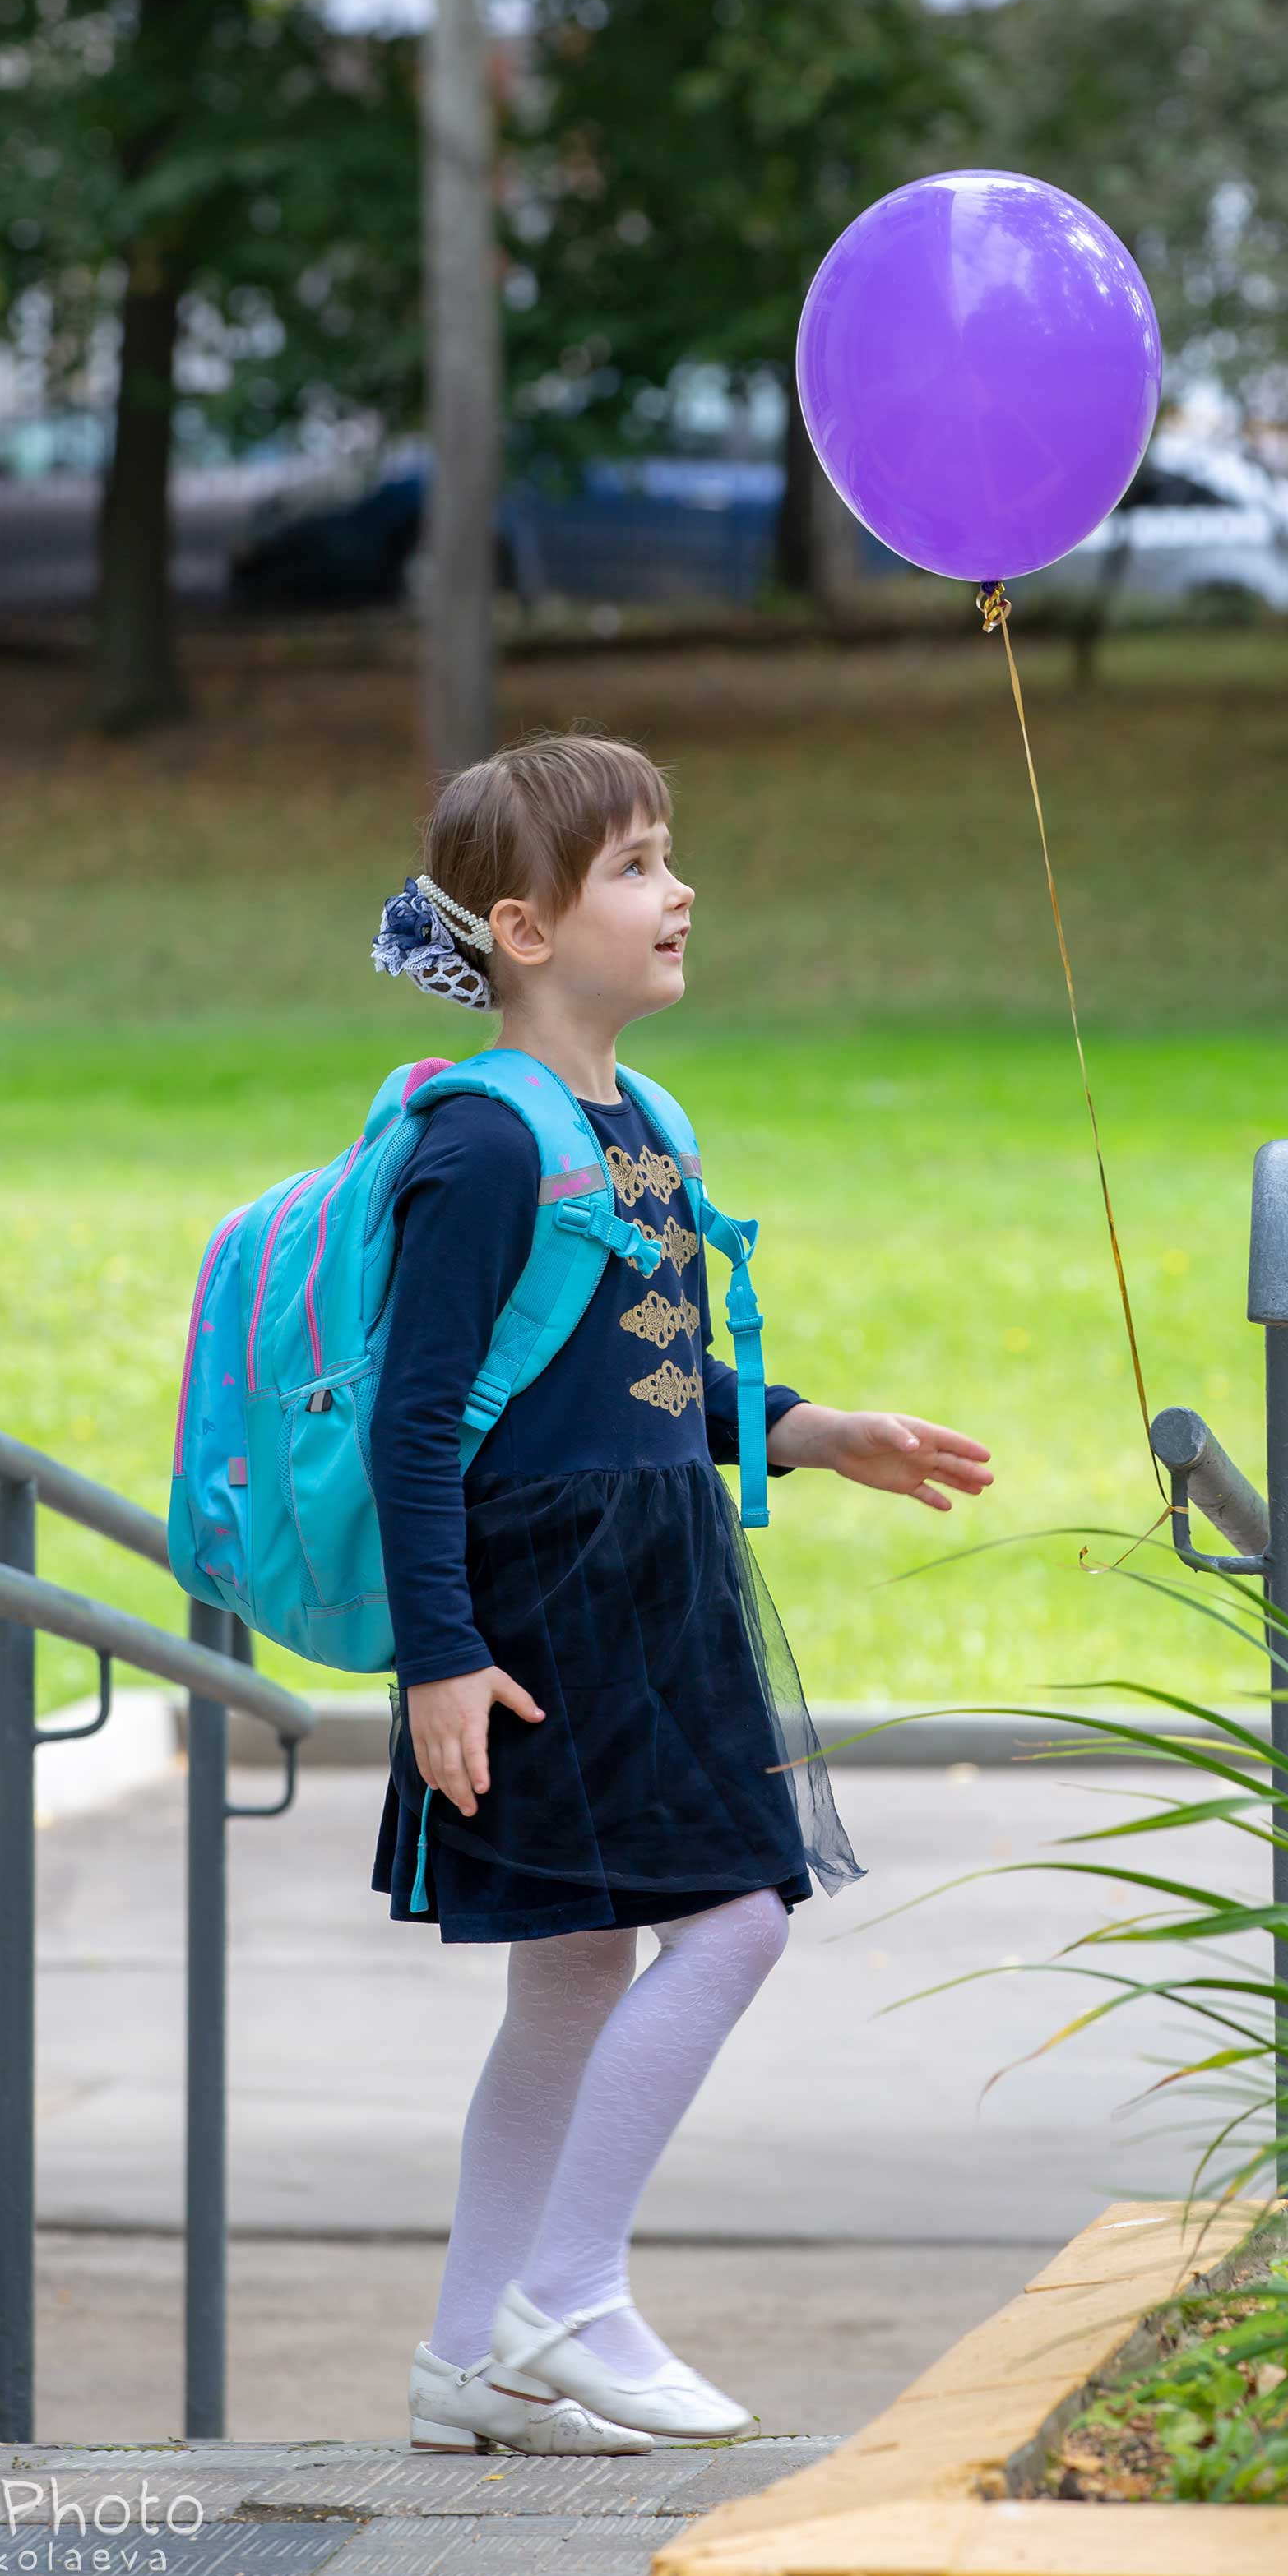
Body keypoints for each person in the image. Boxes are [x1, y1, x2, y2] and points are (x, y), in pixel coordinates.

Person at [365, 730, 993, 2458]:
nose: (678, 887)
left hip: (646, 1571)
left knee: (574, 1977)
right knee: (738, 1911)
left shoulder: (639, 1125)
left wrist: (805, 1427)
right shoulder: (483, 1146)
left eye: (667, 852)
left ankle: (465, 2358)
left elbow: (647, 1375)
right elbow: (417, 1423)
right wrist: (442, 1654)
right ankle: (570, 2294)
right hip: (540, 1603)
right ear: (523, 926)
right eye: (636, 863)